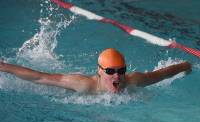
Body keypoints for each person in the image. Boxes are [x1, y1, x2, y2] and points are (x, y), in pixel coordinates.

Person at [0, 48, 191, 93]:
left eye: (121, 70)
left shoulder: (133, 80)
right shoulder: (83, 84)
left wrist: (186, 66)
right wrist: (4, 66)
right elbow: (39, 77)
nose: (117, 75)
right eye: (110, 71)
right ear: (99, 71)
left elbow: (163, 73)